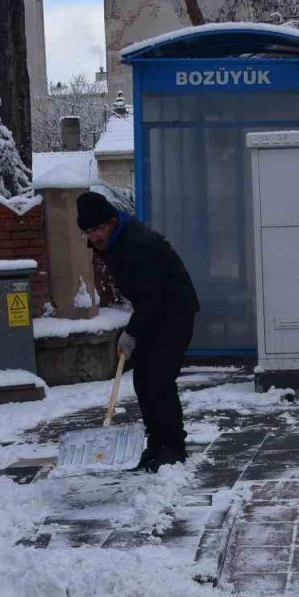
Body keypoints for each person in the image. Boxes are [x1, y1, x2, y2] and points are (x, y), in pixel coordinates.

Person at [77, 191, 200, 473]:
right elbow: (145, 298)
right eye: (88, 230)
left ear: (111, 222)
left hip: (175, 312)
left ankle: (173, 448)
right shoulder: (114, 241)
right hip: (154, 311)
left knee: (159, 379)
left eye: (98, 228)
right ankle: (157, 443)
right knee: (143, 380)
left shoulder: (136, 244)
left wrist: (131, 333)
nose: (94, 236)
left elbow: (152, 296)